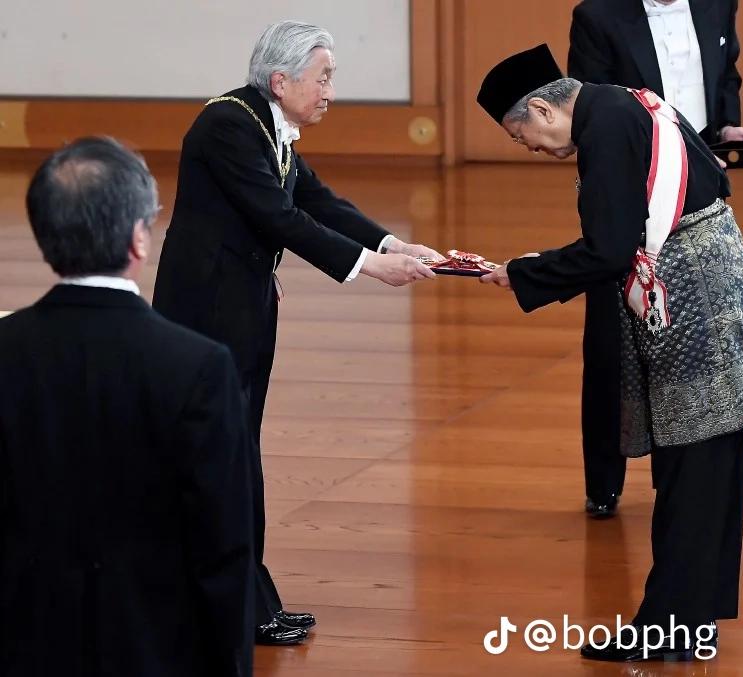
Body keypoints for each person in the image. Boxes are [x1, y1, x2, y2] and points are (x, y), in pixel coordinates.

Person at [476, 45, 743, 661]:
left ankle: (667, 628)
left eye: (521, 134)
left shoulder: (606, 127)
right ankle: (693, 621)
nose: (528, 148)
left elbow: (610, 250)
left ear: (541, 107)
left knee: (690, 468)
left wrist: (527, 273)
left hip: (692, 297)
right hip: (713, 280)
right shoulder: (628, 101)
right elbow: (704, 183)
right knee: (709, 464)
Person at [152, 21, 442, 645]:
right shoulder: (229, 124)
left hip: (244, 304)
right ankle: (230, 602)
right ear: (281, 81)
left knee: (240, 451)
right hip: (209, 314)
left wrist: (393, 241)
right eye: (324, 77)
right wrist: (370, 267)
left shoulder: (268, 124)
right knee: (221, 456)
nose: (331, 90)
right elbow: (278, 217)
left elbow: (318, 199)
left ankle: (250, 597)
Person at [0, 137, 254, 676]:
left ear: (45, 241)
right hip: (155, 647)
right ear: (140, 237)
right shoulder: (199, 366)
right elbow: (223, 546)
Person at [567, 0, 743, 518]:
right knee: (613, 339)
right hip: (632, 193)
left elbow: (724, 76)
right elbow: (590, 115)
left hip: (698, 195)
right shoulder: (598, 17)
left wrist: (724, 128)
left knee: (692, 336)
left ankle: (680, 469)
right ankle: (604, 478)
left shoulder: (719, 5)